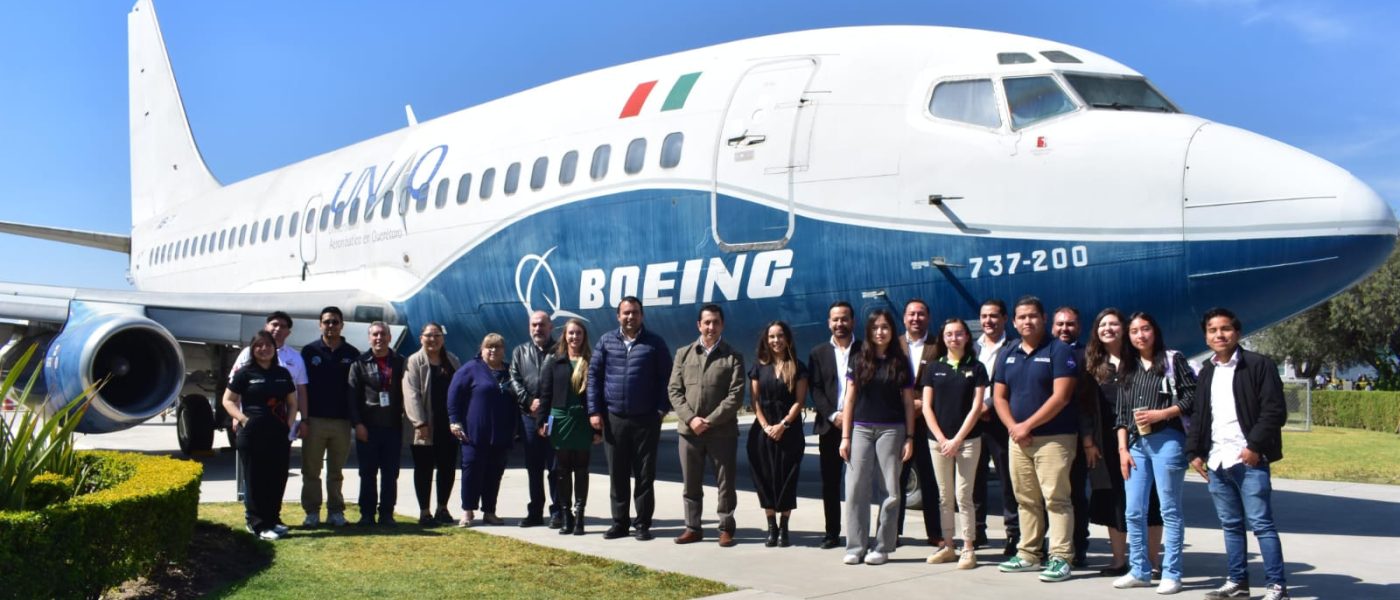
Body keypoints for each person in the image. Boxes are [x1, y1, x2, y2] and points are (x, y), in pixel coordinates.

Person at [1188, 308, 1291, 600]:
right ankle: (1237, 582)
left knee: (1262, 525)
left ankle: (1277, 586)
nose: (1219, 335)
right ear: (1206, 337)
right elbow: (1199, 415)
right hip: (1217, 461)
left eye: (1225, 329)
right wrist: (1194, 451)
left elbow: (1274, 411)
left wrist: (1254, 447)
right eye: (1212, 330)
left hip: (1249, 460)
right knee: (1231, 526)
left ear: (1237, 332)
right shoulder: (1206, 371)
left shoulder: (1259, 365)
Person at [993, 296, 1078, 583]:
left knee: (1056, 499)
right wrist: (1014, 428)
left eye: (1032, 316)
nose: (1027, 321)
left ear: (1043, 319)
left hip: (1054, 439)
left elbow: (1061, 396)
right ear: (1014, 322)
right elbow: (999, 397)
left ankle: (1061, 557)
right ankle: (1029, 554)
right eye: (1022, 317)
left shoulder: (1059, 350)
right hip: (1019, 440)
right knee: (1025, 499)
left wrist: (1026, 425)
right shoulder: (1008, 352)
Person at [1112, 312, 1195, 594]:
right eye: (1134, 331)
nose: (1140, 335)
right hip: (1136, 444)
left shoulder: (1173, 359)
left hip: (1168, 440)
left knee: (1169, 509)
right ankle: (1139, 570)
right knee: (1134, 510)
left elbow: (1191, 397)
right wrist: (1122, 449)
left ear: (1155, 331)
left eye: (1145, 329)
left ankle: (1172, 573)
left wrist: (1162, 414)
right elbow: (1122, 414)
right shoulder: (1128, 366)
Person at [1081, 308, 1164, 577]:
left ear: (1124, 329)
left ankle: (1152, 561)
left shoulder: (1138, 361)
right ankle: (1119, 560)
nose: (1108, 329)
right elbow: (1084, 407)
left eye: (1114, 324)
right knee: (1113, 499)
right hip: (1104, 441)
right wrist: (1089, 441)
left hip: (1141, 438)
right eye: (1102, 324)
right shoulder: (1092, 365)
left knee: (1150, 498)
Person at [588, 296, 673, 541]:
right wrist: (594, 411)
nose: (630, 317)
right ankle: (620, 523)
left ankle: (643, 524)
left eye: (635, 312)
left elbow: (667, 378)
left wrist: (661, 409)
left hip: (646, 419)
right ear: (618, 316)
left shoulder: (654, 343)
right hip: (614, 418)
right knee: (618, 474)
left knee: (645, 475)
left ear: (641, 315)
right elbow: (594, 377)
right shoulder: (606, 341)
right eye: (626, 313)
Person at [839, 309, 916, 566]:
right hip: (861, 429)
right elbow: (849, 399)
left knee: (890, 490)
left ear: (892, 331)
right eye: (875, 328)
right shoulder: (859, 358)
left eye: (884, 327)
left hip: (892, 430)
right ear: (869, 331)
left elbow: (908, 403)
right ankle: (856, 546)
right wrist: (846, 437)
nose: (880, 332)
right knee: (855, 488)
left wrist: (910, 437)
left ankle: (882, 547)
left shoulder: (901, 361)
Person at [667, 304, 744, 547]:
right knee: (691, 483)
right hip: (689, 432)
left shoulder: (733, 356)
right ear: (699, 325)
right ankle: (693, 528)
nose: (711, 327)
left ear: (722, 325)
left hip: (722, 432)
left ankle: (726, 528)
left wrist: (709, 421)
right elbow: (674, 390)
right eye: (707, 322)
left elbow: (736, 395)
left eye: (716, 322)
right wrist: (691, 419)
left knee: (725, 483)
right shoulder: (683, 354)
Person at [920, 318, 987, 569]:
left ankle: (968, 548)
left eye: (959, 334)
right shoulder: (933, 368)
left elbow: (976, 407)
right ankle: (948, 546)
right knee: (944, 496)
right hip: (938, 443)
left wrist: (957, 439)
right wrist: (941, 439)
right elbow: (926, 407)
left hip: (968, 441)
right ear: (943, 338)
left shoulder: (977, 368)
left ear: (967, 337)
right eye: (949, 334)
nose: (954, 338)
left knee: (964, 496)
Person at [223, 330, 297, 540]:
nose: (264, 349)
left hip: (278, 434)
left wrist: (289, 423)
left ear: (274, 348)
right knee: (256, 479)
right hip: (252, 434)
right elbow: (227, 400)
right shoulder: (245, 373)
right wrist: (242, 419)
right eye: (259, 345)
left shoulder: (282, 373)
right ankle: (257, 524)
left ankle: (272, 520)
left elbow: (292, 402)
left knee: (277, 477)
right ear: (252, 349)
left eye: (268, 345)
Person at [297, 306, 360, 527]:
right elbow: (301, 387)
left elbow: (356, 389)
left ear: (342, 325)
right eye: (326, 322)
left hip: (341, 422)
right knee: (311, 470)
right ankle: (312, 512)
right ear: (320, 325)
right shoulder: (309, 351)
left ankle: (335, 512)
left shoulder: (352, 353)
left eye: (335, 322)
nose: (330, 325)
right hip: (314, 420)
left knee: (336, 472)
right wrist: (304, 419)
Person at [748, 320, 808, 548]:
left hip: (789, 431)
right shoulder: (758, 367)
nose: (776, 340)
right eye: (772, 336)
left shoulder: (798, 367)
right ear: (766, 340)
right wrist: (766, 427)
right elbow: (755, 401)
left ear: (787, 339)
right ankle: (771, 526)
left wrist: (782, 425)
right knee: (765, 479)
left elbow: (799, 402)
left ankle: (784, 527)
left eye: (780, 336)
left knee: (787, 479)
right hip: (762, 433)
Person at [537, 319, 599, 535]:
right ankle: (566, 516)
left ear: (584, 336)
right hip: (560, 419)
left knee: (581, 470)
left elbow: (598, 396)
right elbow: (545, 394)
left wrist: (597, 429)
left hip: (582, 420)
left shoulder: (591, 361)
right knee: (562, 470)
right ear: (565, 336)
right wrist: (541, 421)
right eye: (571, 333)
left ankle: (580, 516)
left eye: (578, 333)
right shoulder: (554, 361)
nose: (574, 337)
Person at [448, 333, 517, 527]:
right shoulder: (470, 369)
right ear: (482, 349)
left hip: (501, 433)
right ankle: (467, 511)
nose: (493, 350)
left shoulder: (510, 371)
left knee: (494, 473)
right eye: (489, 347)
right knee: (472, 471)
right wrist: (454, 421)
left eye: (498, 347)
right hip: (474, 433)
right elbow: (453, 395)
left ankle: (489, 511)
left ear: (504, 350)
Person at [808, 300, 860, 550]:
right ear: (829, 323)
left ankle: (859, 533)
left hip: (860, 426)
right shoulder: (818, 353)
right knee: (830, 483)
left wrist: (850, 417)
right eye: (835, 319)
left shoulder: (865, 350)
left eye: (844, 319)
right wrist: (833, 415)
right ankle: (831, 533)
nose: (840, 323)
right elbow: (815, 389)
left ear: (853, 321)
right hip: (830, 428)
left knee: (859, 484)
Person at [347, 321, 406, 526]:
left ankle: (387, 513)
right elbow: (352, 398)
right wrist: (358, 424)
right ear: (369, 338)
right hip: (368, 427)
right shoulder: (359, 363)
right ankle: (367, 514)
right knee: (367, 473)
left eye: (383, 334)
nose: (379, 338)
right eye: (375, 335)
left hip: (393, 427)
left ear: (390, 337)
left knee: (390, 473)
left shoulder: (400, 362)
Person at [403, 322, 462, 526]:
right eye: (429, 335)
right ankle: (425, 511)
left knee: (447, 468)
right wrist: (419, 423)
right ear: (421, 338)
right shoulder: (414, 361)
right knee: (424, 469)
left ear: (443, 339)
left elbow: (460, 390)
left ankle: (442, 508)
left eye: (437, 335)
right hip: (424, 426)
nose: (433, 339)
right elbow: (411, 394)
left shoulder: (452, 360)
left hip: (448, 425)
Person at [972, 299, 1018, 555]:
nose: (988, 321)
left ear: (1004, 319)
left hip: (1001, 423)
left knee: (1008, 481)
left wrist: (988, 405)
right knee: (974, 480)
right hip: (974, 424)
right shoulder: (972, 347)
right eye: (984, 316)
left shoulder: (1014, 347)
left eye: (993, 316)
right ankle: (977, 531)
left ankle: (1013, 534)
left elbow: (1014, 382)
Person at [509, 311, 561, 528]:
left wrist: (549, 405)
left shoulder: (560, 350)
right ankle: (535, 512)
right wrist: (529, 401)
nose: (538, 329)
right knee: (534, 468)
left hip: (553, 417)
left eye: (542, 325)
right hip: (529, 419)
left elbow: (566, 381)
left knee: (556, 468)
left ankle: (558, 511)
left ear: (550, 327)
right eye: (534, 325)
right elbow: (514, 380)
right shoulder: (520, 352)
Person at [897, 299, 942, 549]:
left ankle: (934, 533)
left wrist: (923, 404)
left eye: (921, 314)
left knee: (930, 480)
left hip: (928, 422)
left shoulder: (939, 345)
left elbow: (945, 381)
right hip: (898, 423)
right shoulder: (894, 345)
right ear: (904, 318)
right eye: (911, 314)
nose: (916, 318)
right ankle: (892, 532)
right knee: (896, 481)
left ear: (929, 317)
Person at [1052, 306, 1092, 568]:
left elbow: (1087, 402)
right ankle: (1051, 546)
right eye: (1060, 324)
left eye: (1070, 324)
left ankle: (1078, 547)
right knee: (1048, 495)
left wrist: (1087, 438)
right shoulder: (1046, 352)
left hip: (1075, 435)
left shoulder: (1087, 356)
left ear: (1079, 327)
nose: (1064, 329)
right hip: (1046, 436)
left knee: (1075, 493)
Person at [230, 311, 309, 434]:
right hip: (250, 424)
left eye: (283, 326)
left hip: (281, 424)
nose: (278, 329)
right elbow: (234, 387)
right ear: (266, 326)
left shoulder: (295, 357)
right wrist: (237, 417)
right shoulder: (248, 353)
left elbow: (301, 391)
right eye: (274, 324)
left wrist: (302, 420)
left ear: (288, 333)